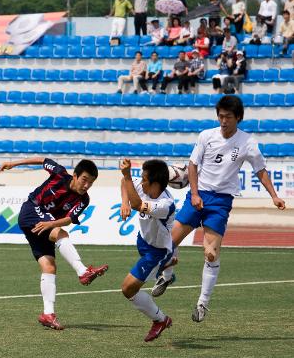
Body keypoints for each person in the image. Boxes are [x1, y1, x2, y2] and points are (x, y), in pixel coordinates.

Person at [151, 95, 286, 322]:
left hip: (221, 202)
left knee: (211, 253)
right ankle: (167, 276)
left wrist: (274, 196)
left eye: (228, 117)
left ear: (238, 118)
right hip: (199, 195)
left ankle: (202, 302)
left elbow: (260, 170)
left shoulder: (248, 143)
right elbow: (193, 165)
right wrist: (194, 194)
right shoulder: (206, 136)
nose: (223, 121)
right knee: (167, 242)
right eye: (220, 116)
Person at [0, 158, 109, 330]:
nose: (87, 185)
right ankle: (82, 271)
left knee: (49, 267)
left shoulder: (84, 200)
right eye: (84, 180)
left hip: (45, 225)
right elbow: (42, 160)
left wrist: (51, 224)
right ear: (75, 176)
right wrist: (13, 164)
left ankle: (48, 314)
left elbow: (69, 219)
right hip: (31, 210)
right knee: (60, 233)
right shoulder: (59, 173)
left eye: (91, 182)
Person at [120, 158, 175, 342]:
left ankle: (160, 320)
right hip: (143, 241)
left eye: (144, 179)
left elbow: (137, 203)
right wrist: (124, 202)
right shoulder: (144, 187)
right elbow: (124, 183)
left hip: (156, 251)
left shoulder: (165, 204)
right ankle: (167, 268)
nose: (140, 182)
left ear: (156, 184)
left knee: (128, 289)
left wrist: (127, 175)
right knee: (134, 284)